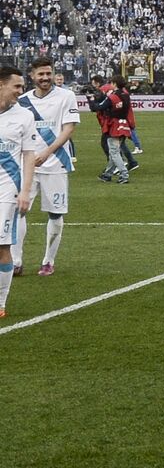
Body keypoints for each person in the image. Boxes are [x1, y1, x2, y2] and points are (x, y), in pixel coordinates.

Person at [14, 59, 80, 277]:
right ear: (31, 76)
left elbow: (68, 128)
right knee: (18, 210)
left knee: (55, 213)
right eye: (40, 74)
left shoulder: (66, 96)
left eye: (48, 73)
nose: (45, 78)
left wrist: (47, 152)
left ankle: (48, 260)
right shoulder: (22, 101)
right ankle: (16, 260)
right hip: (27, 166)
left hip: (56, 163)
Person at [0, 66, 42, 318]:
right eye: (16, 86)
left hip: (6, 189)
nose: (21, 90)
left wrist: (25, 191)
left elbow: (28, 156)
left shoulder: (24, 116)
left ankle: (1, 302)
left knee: (2, 245)